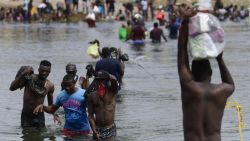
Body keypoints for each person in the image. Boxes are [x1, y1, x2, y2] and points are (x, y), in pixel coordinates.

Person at [177, 5, 235, 141]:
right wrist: (219, 58)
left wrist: (185, 21)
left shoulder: (189, 87)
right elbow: (230, 84)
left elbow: (182, 52)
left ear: (192, 73)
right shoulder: (222, 91)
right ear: (210, 72)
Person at [9, 60, 54, 128]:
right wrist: (23, 74)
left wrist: (54, 114)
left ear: (50, 72)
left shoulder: (50, 86)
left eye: (47, 71)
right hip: (26, 115)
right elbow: (12, 88)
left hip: (39, 116)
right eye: (42, 70)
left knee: (40, 137)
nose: (44, 73)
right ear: (38, 70)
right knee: (26, 136)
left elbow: (50, 107)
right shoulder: (29, 79)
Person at [87, 71, 119, 140]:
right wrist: (94, 131)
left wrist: (107, 75)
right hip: (98, 129)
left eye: (103, 80)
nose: (101, 83)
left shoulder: (112, 92)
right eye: (99, 81)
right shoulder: (91, 96)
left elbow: (115, 80)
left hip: (111, 128)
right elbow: (90, 115)